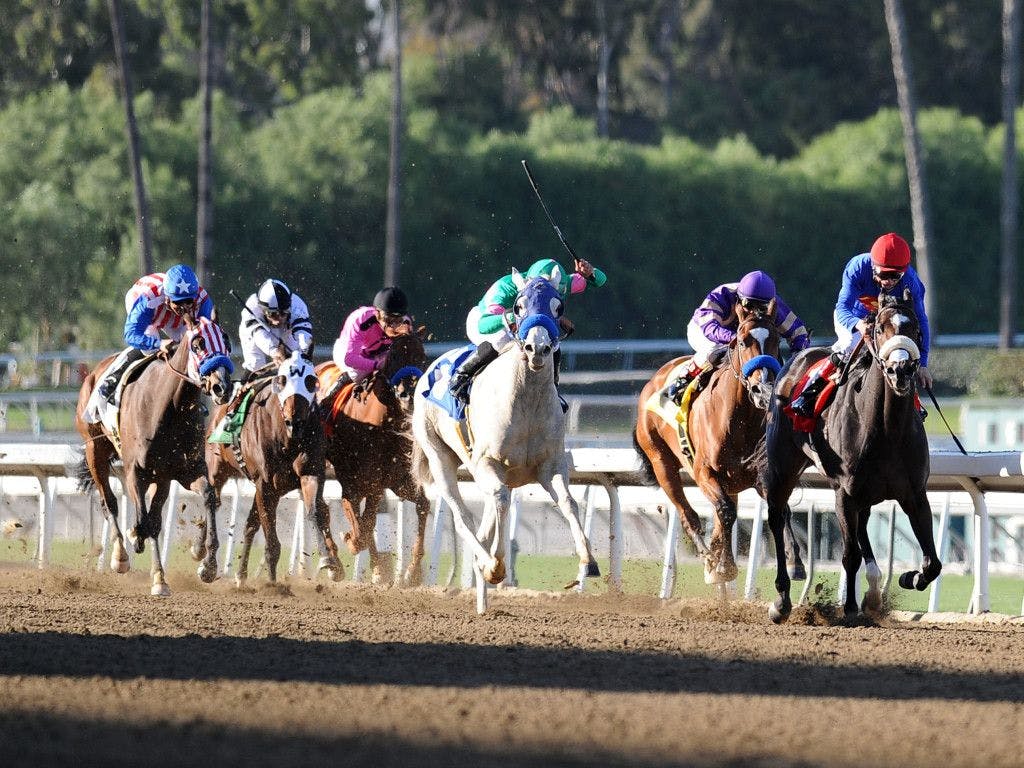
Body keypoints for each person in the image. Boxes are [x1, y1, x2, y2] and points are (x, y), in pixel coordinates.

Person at [789, 232, 932, 417]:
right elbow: (842, 308)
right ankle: (809, 393)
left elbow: (921, 321)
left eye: (896, 276)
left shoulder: (911, 281)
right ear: (873, 267)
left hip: (886, 323)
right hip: (853, 317)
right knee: (849, 344)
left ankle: (914, 403)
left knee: (900, 353)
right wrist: (858, 325)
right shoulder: (858, 268)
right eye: (884, 274)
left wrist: (924, 363)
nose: (889, 281)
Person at [448, 256, 607, 404]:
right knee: (502, 338)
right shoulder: (505, 288)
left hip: (526, 324)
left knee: (552, 341)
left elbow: (600, 280)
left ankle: (552, 390)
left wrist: (590, 272)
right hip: (486, 320)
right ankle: (461, 377)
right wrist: (512, 318)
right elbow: (484, 325)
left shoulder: (561, 283)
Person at [666, 270, 810, 403]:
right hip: (704, 331)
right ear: (739, 299)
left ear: (771, 304)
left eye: (762, 307)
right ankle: (684, 379)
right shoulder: (722, 295)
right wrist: (734, 337)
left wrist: (795, 363)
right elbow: (710, 328)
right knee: (715, 349)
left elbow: (799, 333)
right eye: (749, 304)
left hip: (746, 337)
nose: (754, 311)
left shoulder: (775, 306)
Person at [97, 264, 214, 402]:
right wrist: (158, 343)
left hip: (167, 311)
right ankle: (114, 378)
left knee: (189, 346)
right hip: (146, 308)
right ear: (167, 297)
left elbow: (208, 338)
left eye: (189, 301)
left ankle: (192, 398)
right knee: (149, 348)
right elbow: (131, 335)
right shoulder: (148, 299)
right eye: (179, 302)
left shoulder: (203, 300)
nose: (185, 308)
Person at [321, 287, 413, 404]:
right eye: (388, 319)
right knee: (357, 374)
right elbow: (350, 359)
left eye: (398, 320)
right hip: (349, 353)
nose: (393, 325)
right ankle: (327, 402)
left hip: (380, 354)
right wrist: (377, 365)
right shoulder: (360, 320)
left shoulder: (406, 324)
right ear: (377, 313)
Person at [239, 278, 314, 381]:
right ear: (262, 310)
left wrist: (304, 350)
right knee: (256, 364)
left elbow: (302, 334)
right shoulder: (252, 308)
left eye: (283, 313)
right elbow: (259, 336)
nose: (278, 320)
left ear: (289, 307)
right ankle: (239, 390)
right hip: (258, 333)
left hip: (288, 330)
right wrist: (274, 352)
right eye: (272, 314)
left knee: (295, 359)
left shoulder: (297, 307)